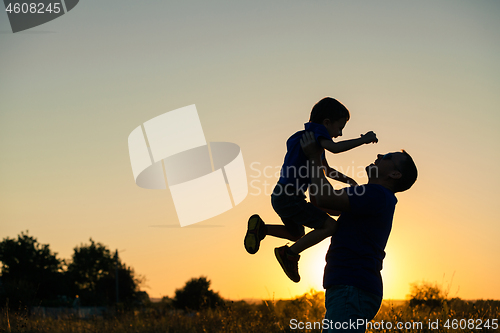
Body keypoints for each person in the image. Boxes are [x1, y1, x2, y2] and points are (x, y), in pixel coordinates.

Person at [244, 97, 378, 282]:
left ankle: (261, 229)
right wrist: (364, 140)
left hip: (280, 195)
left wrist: (349, 180)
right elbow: (336, 148)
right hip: (291, 197)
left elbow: (327, 170)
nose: (339, 134)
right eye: (339, 128)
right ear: (326, 122)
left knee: (297, 234)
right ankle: (289, 255)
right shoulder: (317, 134)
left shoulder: (300, 138)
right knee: (331, 226)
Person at [300, 131, 418, 332]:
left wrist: (312, 157)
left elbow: (323, 198)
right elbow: (319, 200)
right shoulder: (369, 195)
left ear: (395, 174)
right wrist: (316, 164)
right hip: (350, 286)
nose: (380, 156)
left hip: (351, 286)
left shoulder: (376, 195)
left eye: (387, 157)